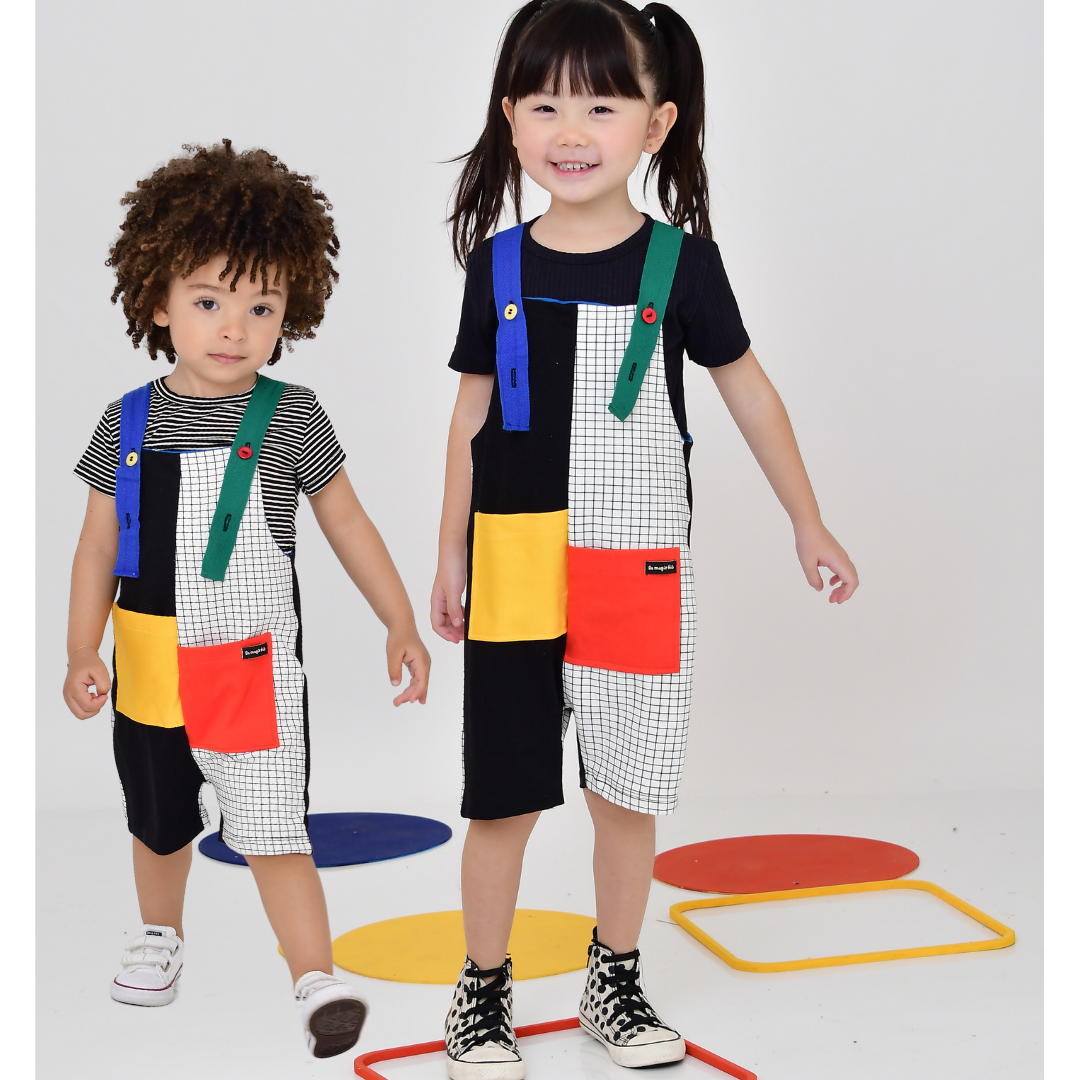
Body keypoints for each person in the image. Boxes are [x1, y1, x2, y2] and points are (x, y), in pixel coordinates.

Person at [430, 2, 859, 1075]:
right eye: (545, 106)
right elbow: (471, 417)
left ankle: (613, 976)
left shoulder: (683, 266)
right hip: (515, 570)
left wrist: (806, 519)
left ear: (656, 125)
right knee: (504, 795)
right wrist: (450, 555)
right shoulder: (497, 266)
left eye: (602, 106)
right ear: (510, 119)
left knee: (625, 792)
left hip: (639, 570)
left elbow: (750, 394)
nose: (571, 131)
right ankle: (481, 986)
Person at [64, 140, 431, 1059]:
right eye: (209, 302)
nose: (234, 328)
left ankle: (316, 979)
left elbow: (348, 523)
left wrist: (398, 619)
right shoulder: (127, 421)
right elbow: (98, 546)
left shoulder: (292, 414)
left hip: (251, 673)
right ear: (158, 301)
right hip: (150, 669)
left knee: (274, 829)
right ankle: (160, 936)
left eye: (261, 307)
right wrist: (80, 649)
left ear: (290, 312)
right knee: (158, 823)